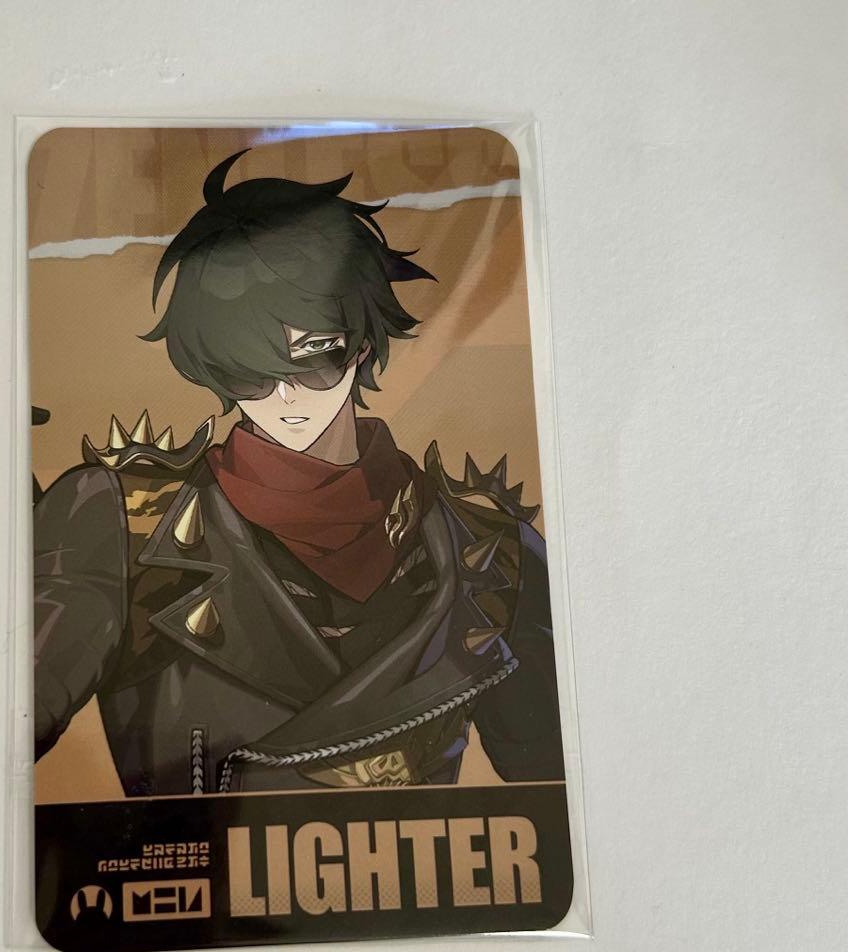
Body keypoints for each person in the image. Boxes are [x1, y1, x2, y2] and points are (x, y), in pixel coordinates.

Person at [33, 150, 563, 794]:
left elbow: (566, 796)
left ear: (360, 343)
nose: (285, 396)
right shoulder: (122, 526)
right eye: (247, 372)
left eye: (313, 357)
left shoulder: (488, 549)